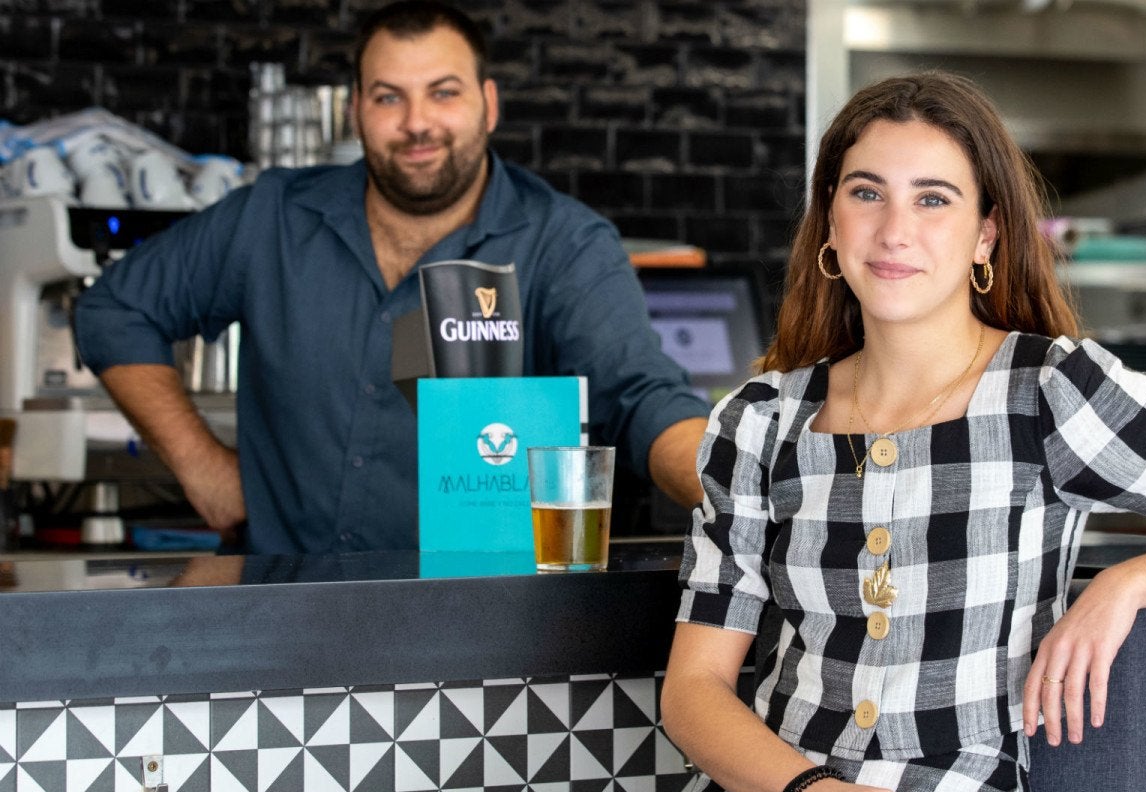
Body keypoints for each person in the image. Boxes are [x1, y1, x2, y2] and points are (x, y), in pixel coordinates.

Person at [659, 71, 1146, 792]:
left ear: (987, 232)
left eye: (933, 199)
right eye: (866, 192)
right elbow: (695, 690)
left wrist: (1128, 584)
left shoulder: (1050, 390)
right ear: (829, 220)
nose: (894, 230)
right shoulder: (759, 421)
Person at [74, 0, 709, 554]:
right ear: (356, 111)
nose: (416, 124)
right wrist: (200, 464)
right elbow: (114, 311)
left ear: (488, 105)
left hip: (489, 627)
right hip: (281, 617)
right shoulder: (270, 216)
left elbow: (642, 399)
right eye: (388, 97)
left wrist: (737, 486)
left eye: (443, 92)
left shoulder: (564, 244)